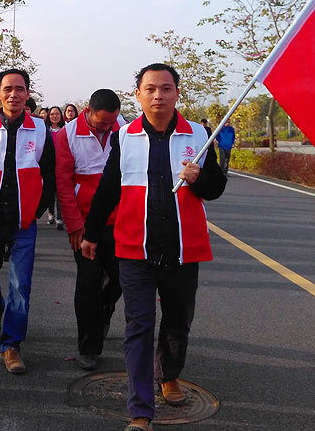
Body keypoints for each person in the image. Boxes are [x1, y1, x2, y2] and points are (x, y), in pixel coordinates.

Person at [84, 63, 226, 431]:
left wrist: (201, 178)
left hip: (182, 249)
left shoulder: (199, 135)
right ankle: (140, 411)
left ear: (177, 93)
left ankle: (169, 374)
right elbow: (108, 189)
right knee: (138, 325)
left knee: (177, 323)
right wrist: (90, 232)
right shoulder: (125, 136)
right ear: (138, 95)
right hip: (135, 250)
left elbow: (216, 188)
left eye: (165, 88)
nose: (158, 95)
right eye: (150, 89)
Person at [0, 68, 55, 374]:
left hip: (23, 221)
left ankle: (11, 345)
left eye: (19, 89)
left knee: (21, 284)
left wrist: (37, 209)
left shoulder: (41, 129)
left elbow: (49, 173)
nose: (13, 94)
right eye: (7, 89)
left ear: (28, 93)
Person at [55, 89, 123, 371]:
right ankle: (88, 347)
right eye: (103, 123)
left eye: (112, 123)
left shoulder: (124, 132)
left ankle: (103, 316)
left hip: (120, 223)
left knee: (121, 281)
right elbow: (63, 183)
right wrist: (74, 226)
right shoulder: (66, 135)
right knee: (89, 285)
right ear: (88, 111)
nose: (108, 128)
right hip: (85, 226)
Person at [46, 106, 65, 229]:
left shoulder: (65, 130)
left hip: (61, 165)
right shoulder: (44, 130)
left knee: (60, 193)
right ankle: (51, 213)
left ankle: (59, 218)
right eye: (52, 114)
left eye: (57, 114)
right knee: (50, 192)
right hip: (48, 166)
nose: (54, 116)